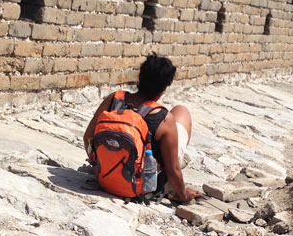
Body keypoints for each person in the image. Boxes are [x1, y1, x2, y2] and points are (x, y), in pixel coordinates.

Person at [83, 54, 203, 202]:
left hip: (104, 178)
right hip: (142, 187)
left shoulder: (114, 99)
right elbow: (173, 170)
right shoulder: (164, 118)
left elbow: (87, 137)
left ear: (139, 78)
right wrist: (184, 195)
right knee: (181, 111)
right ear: (163, 88)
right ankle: (175, 173)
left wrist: (97, 167)